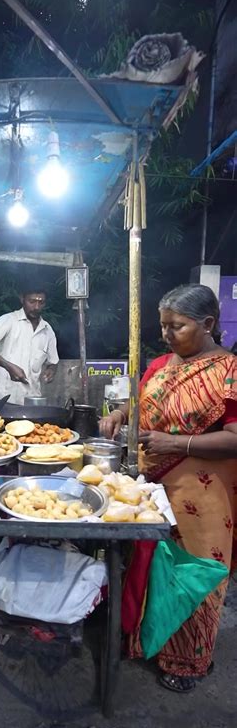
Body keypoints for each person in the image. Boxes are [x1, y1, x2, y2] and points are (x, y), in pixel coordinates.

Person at [100, 283, 237, 692]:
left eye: (176, 326)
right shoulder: (161, 365)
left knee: (194, 577)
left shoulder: (229, 371)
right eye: (163, 326)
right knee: (148, 569)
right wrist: (120, 415)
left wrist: (176, 443)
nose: (166, 335)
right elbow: (140, 404)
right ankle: (145, 641)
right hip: (152, 488)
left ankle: (188, 662)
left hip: (204, 496)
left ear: (208, 324)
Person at [0, 286, 59, 405]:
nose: (36, 307)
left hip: (33, 400)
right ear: (22, 299)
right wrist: (8, 366)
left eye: (41, 302)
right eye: (32, 302)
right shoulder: (9, 320)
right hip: (4, 399)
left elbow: (53, 362)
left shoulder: (47, 330)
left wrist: (51, 371)